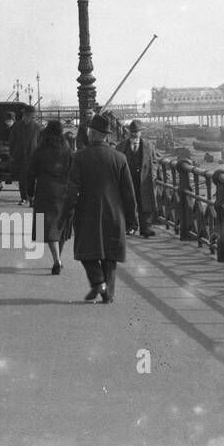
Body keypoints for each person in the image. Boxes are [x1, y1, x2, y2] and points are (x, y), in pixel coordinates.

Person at [68, 113, 138, 304]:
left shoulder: (80, 157)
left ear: (92, 133)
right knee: (110, 254)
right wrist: (132, 220)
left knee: (85, 251)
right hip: (115, 212)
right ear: (106, 135)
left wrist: (67, 211)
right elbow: (128, 193)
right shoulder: (120, 158)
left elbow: (72, 188)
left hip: (87, 212)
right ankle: (108, 293)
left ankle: (98, 282)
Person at [24, 119, 73, 274]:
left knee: (46, 226)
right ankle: (59, 258)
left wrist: (30, 192)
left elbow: (32, 172)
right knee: (61, 225)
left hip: (45, 189)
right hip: (63, 190)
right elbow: (73, 169)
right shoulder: (67, 148)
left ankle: (56, 259)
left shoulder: (40, 149)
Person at [116, 120, 157, 238]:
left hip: (144, 179)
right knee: (129, 202)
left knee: (145, 202)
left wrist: (153, 174)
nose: (134, 134)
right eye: (132, 132)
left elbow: (155, 161)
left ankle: (146, 228)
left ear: (141, 132)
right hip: (127, 178)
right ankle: (131, 226)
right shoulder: (121, 146)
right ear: (128, 132)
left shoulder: (148, 145)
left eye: (136, 132)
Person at [9, 105, 41, 206]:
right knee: (22, 178)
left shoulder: (36, 127)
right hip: (20, 156)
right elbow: (12, 141)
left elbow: (39, 141)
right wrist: (13, 153)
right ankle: (24, 198)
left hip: (33, 156)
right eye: (26, 116)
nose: (27, 118)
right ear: (24, 115)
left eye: (30, 116)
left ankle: (31, 197)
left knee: (32, 178)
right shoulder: (17, 126)